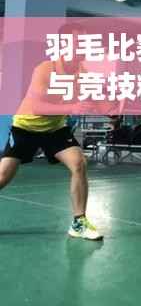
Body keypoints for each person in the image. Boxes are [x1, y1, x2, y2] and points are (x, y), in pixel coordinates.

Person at [0, 23, 103, 241]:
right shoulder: (46, 69)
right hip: (25, 127)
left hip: (55, 129)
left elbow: (94, 101)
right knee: (3, 176)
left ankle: (79, 223)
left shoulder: (84, 74)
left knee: (79, 163)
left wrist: (108, 109)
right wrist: (73, 107)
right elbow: (38, 107)